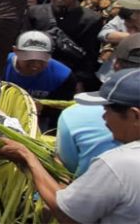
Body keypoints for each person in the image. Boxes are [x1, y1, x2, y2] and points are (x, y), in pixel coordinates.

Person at [0, 68, 140, 223]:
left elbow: (67, 213)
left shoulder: (119, 164)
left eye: (107, 110)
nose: (104, 118)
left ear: (134, 115)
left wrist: (27, 157)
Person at [56, 34, 139, 177]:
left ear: (116, 65)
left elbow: (67, 170)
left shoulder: (75, 115)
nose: (105, 117)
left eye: (108, 110)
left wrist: (30, 160)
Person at [24, 0, 103, 92]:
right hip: (38, 69)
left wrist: (79, 80)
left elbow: (90, 55)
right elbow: (25, 42)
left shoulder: (91, 19)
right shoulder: (35, 12)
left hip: (70, 74)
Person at [2, 31, 76, 131]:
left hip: (38, 120)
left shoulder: (62, 76)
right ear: (15, 51)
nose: (36, 65)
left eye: (42, 59)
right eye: (29, 58)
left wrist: (44, 109)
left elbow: (63, 109)